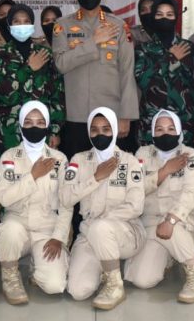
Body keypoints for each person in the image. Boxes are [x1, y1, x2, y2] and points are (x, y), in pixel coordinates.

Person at [124, 110, 194, 303]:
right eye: (159, 129)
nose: (165, 134)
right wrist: (164, 171)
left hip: (190, 221)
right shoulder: (142, 154)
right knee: (142, 280)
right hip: (152, 224)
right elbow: (135, 189)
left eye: (171, 129)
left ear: (179, 132)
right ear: (152, 132)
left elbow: (190, 195)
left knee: (174, 227)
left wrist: (171, 220)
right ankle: (171, 254)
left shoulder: (192, 156)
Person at [61, 108, 145, 309]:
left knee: (100, 228)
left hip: (126, 232)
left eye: (106, 129)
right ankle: (104, 264)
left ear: (114, 130)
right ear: (88, 132)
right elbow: (65, 199)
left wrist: (103, 221)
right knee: (78, 291)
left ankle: (115, 284)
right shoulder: (79, 160)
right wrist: (96, 178)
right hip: (89, 234)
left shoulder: (129, 161)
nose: (100, 134)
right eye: (95, 130)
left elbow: (136, 206)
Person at [52, 0, 138, 159]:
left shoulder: (118, 26)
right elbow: (61, 64)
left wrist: (126, 115)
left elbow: (127, 72)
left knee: (114, 170)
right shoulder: (62, 26)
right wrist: (94, 42)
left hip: (111, 116)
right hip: (76, 117)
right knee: (77, 171)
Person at [0, 101, 73, 304]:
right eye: (28, 122)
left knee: (55, 286)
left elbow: (67, 203)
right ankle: (10, 276)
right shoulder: (9, 157)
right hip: (17, 222)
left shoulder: (59, 159)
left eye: (40, 122)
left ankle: (37, 265)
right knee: (9, 231)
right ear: (20, 126)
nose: (34, 127)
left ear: (47, 126)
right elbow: (4, 198)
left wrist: (59, 236)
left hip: (47, 227)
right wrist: (33, 175)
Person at [0, 3, 64, 151]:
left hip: (43, 130)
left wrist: (55, 130)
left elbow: (57, 94)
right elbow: (4, 93)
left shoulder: (45, 54)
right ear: (9, 26)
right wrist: (29, 69)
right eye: (17, 21)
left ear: (32, 25)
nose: (22, 25)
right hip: (11, 133)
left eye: (26, 21)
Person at [134, 0, 194, 146]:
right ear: (153, 18)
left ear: (176, 17)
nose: (164, 18)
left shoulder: (188, 48)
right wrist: (170, 58)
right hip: (152, 124)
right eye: (159, 14)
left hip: (184, 123)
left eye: (169, 14)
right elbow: (143, 82)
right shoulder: (143, 49)